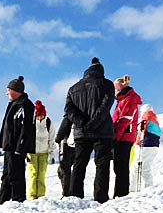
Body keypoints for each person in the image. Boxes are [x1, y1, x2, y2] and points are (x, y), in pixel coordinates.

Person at [64, 57, 115, 203]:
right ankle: (100, 197)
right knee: (102, 165)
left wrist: (82, 123)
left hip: (81, 132)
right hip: (102, 131)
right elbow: (105, 107)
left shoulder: (73, 88)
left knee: (79, 164)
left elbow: (68, 109)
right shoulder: (107, 84)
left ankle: (75, 196)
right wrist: (92, 124)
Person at [0, 76, 35, 205]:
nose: (7, 92)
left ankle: (18, 200)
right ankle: (2, 201)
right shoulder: (13, 105)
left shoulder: (25, 105)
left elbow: (27, 127)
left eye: (9, 90)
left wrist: (21, 146)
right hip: (9, 145)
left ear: (16, 91)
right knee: (7, 174)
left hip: (17, 147)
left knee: (15, 175)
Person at [112, 75, 142, 197]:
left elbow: (125, 120)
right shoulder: (122, 100)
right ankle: (119, 193)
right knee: (118, 167)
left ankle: (121, 194)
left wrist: (115, 137)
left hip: (124, 137)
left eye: (115, 89)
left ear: (119, 89)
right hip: (121, 137)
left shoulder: (129, 99)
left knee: (121, 167)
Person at [27, 100, 55, 199]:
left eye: (41, 115)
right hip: (32, 152)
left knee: (41, 175)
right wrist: (26, 153)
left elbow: (51, 139)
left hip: (44, 152)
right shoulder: (31, 122)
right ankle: (32, 196)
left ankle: (41, 196)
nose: (40, 117)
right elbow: (26, 137)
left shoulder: (48, 123)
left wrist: (52, 153)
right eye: (38, 115)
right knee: (33, 174)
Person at [131, 104, 161, 190]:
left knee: (135, 167)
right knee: (146, 167)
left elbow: (141, 130)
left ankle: (132, 189)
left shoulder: (145, 116)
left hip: (145, 146)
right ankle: (149, 188)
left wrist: (138, 143)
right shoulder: (155, 120)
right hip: (154, 147)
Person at [55, 116, 75, 198]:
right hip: (78, 144)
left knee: (64, 169)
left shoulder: (69, 115)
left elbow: (62, 129)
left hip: (66, 144)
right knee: (75, 168)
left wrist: (58, 138)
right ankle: (72, 191)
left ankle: (66, 192)